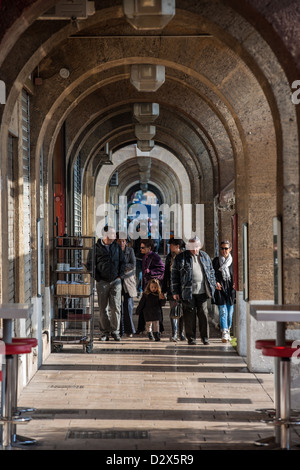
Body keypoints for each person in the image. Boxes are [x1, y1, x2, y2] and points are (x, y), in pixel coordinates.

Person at [171, 236, 216, 345]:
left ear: (200, 246)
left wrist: (213, 285)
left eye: (196, 246)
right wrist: (175, 292)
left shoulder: (205, 256)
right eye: (192, 247)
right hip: (187, 292)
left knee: (203, 315)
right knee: (189, 316)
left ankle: (205, 338)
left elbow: (211, 272)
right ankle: (191, 338)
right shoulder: (181, 258)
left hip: (202, 291)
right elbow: (174, 276)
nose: (194, 249)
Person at [94, 226, 125, 341]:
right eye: (112, 234)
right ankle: (104, 332)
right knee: (103, 308)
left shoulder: (116, 247)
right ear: (105, 235)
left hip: (115, 281)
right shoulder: (96, 248)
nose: (115, 237)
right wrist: (97, 277)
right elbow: (90, 264)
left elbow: (123, 262)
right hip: (102, 282)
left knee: (116, 307)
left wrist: (120, 275)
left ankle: (115, 331)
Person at [136, 238, 165, 334]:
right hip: (146, 287)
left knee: (156, 308)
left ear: (149, 248)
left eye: (143, 248)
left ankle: (159, 328)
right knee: (144, 306)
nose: (141, 249)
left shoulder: (155, 257)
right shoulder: (145, 257)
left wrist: (151, 272)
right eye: (140, 247)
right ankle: (141, 328)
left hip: (153, 287)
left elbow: (162, 269)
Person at [162, 238, 186, 342]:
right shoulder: (169, 257)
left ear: (177, 246)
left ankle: (181, 333)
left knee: (183, 311)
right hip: (171, 287)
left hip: (183, 288)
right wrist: (163, 290)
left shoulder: (185, 256)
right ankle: (174, 333)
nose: (169, 247)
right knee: (173, 309)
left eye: (171, 245)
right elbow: (166, 274)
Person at [212, 240, 235, 343]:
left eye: (226, 248)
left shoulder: (233, 262)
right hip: (220, 288)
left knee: (230, 313)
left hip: (231, 289)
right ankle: (224, 331)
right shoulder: (216, 261)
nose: (224, 251)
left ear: (230, 249)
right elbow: (211, 274)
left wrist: (237, 284)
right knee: (223, 311)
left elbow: (238, 275)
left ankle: (228, 329)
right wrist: (215, 282)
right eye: (222, 248)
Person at [116, 234, 137, 337]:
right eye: (119, 241)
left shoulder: (130, 251)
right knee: (117, 306)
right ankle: (119, 330)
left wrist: (121, 268)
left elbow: (133, 264)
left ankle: (130, 330)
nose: (121, 243)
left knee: (128, 306)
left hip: (128, 281)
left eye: (123, 241)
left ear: (126, 242)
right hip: (117, 281)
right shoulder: (114, 250)